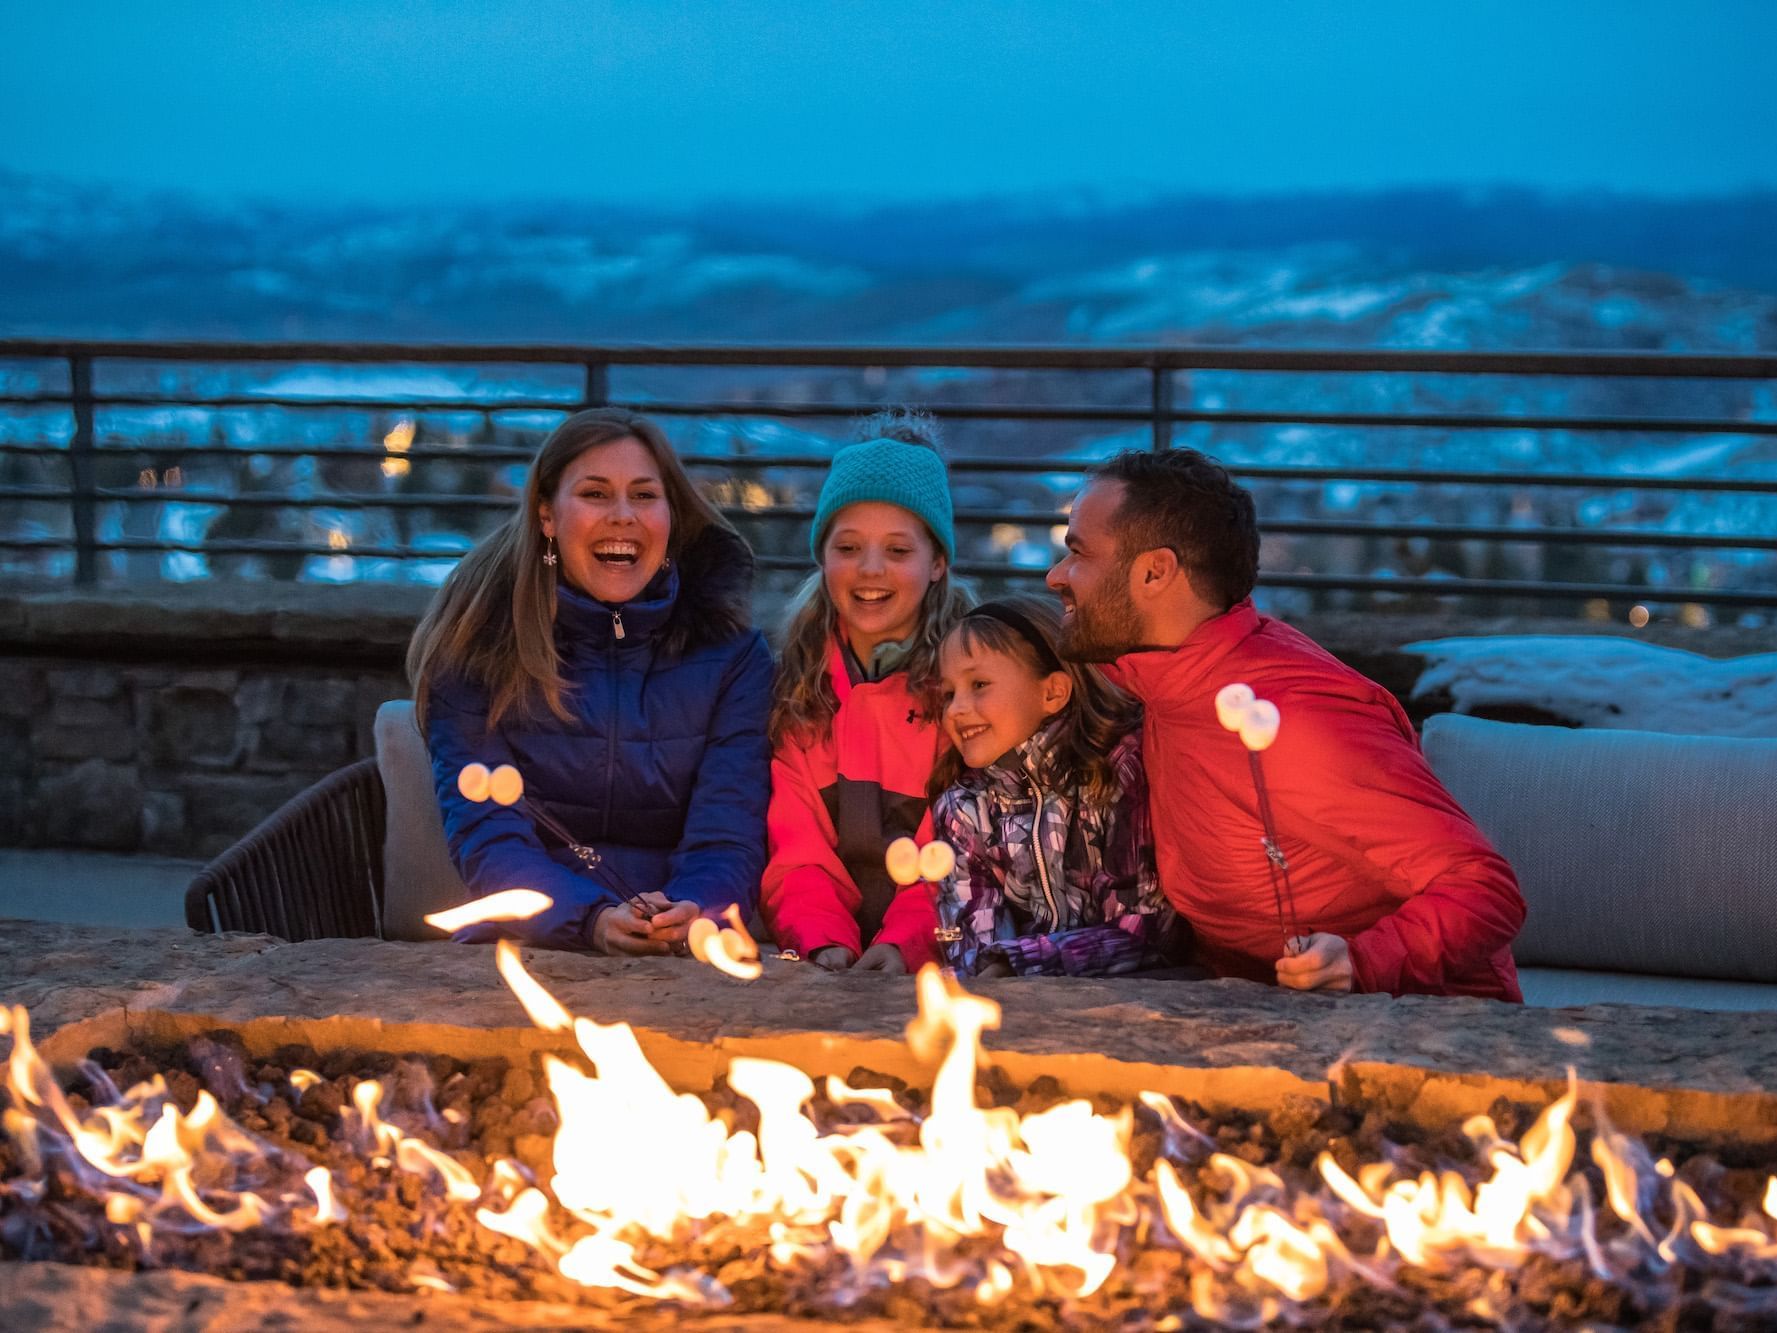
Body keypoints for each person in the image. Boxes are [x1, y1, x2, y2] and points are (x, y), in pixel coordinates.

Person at [1045, 448, 1526, 1001]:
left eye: (1077, 552)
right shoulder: (1163, 679)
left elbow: (1485, 890)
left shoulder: (1295, 718)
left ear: (1155, 571)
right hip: (1249, 1007)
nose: (1056, 575)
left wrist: (1363, 961)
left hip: (1400, 1028)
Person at [408, 408, 774, 954]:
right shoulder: (478, 646)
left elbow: (729, 831)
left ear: (670, 518)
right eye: (596, 494)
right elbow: (488, 834)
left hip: (688, 951)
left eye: (645, 496)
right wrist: (592, 919)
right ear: (547, 517)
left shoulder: (732, 655)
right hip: (531, 946)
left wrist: (695, 909)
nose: (623, 516)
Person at [761, 411, 971, 974]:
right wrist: (822, 940)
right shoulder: (800, 688)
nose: (870, 570)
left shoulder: (971, 687)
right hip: (828, 953)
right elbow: (796, 851)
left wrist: (904, 946)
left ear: (938, 563)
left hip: (940, 949)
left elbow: (960, 854)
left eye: (899, 552)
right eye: (848, 548)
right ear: (822, 557)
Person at [928, 595, 1182, 978]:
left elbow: (1147, 929)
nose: (955, 709)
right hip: (1021, 998)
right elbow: (970, 934)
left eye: (979, 684)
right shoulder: (964, 808)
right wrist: (987, 972)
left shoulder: (1115, 775)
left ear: (1053, 693)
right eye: (948, 694)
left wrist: (1019, 963)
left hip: (1137, 990)